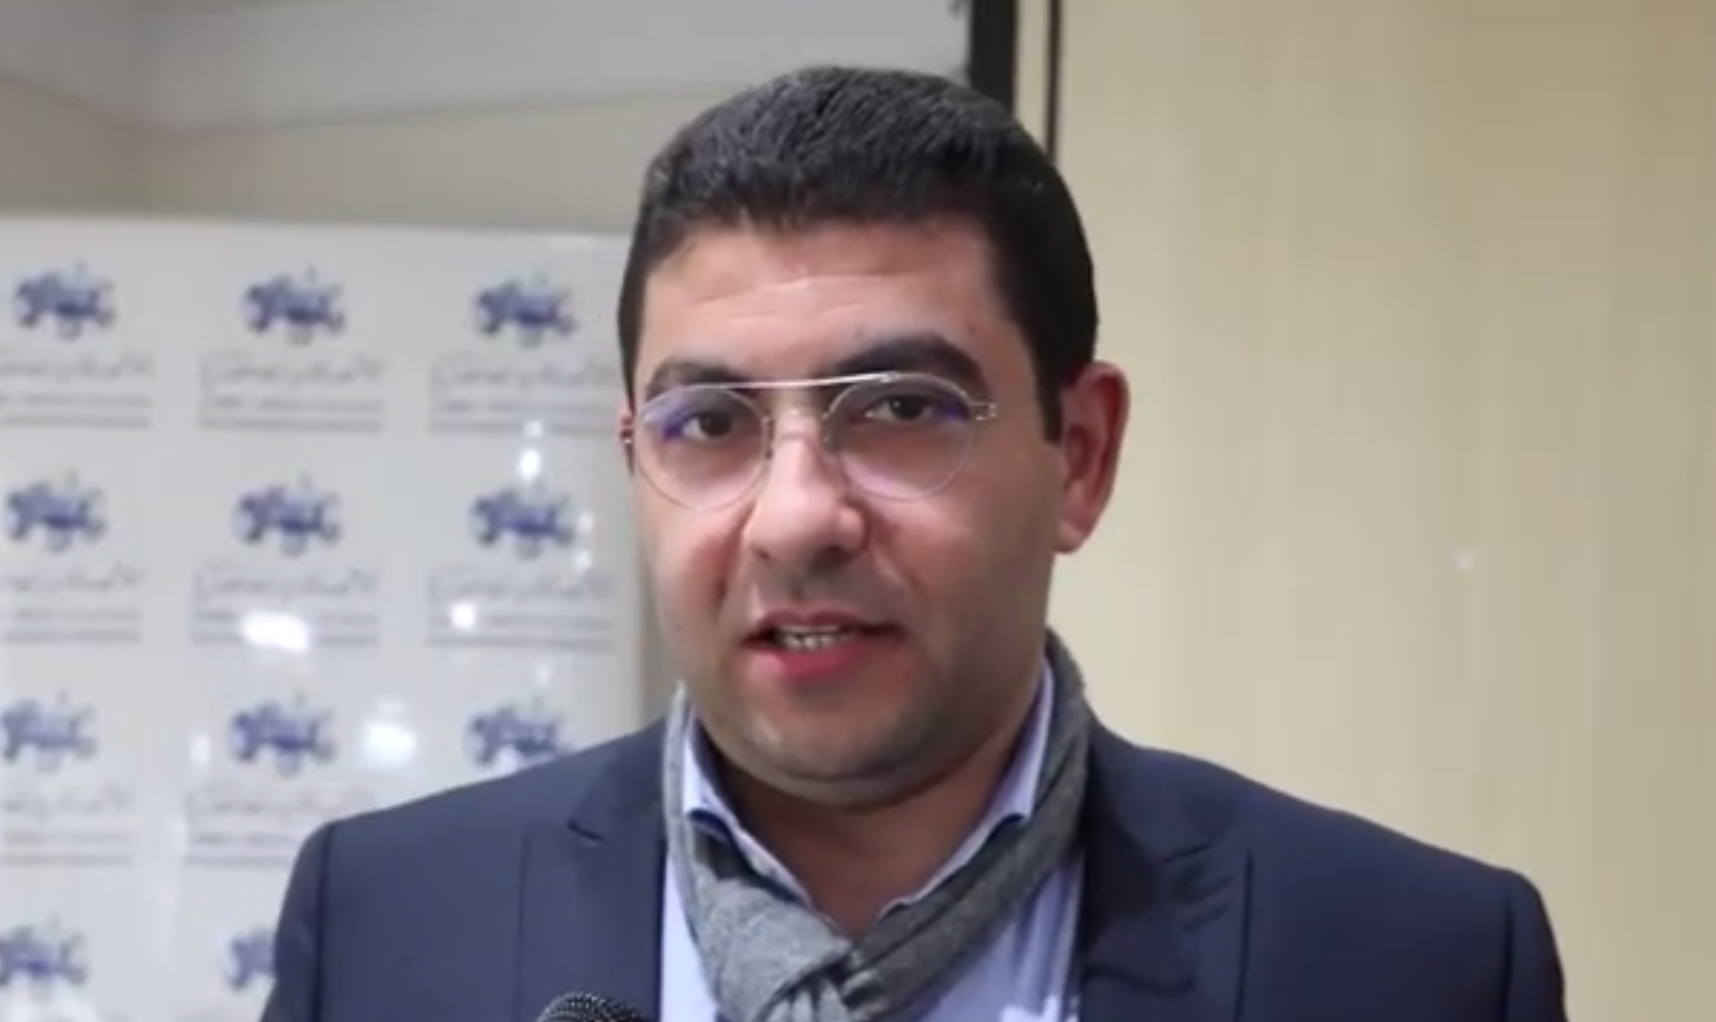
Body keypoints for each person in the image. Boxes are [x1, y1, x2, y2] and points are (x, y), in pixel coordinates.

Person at [260, 66, 1568, 1022]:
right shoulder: (390, 923)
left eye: (898, 410)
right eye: (709, 423)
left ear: (1081, 455)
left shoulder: (1408, 962)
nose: (795, 518)